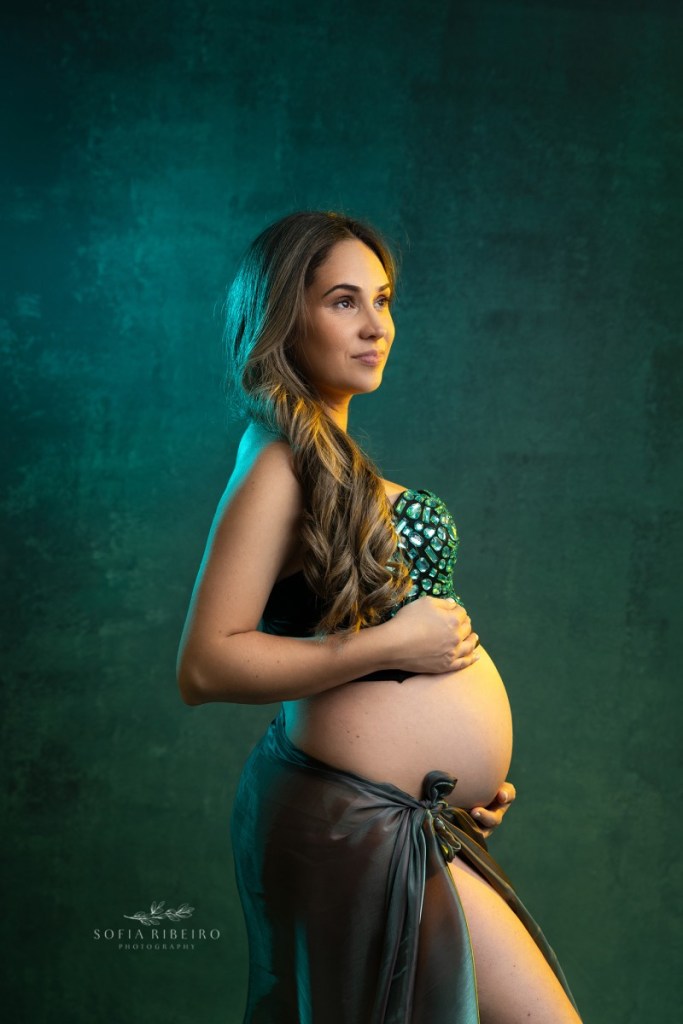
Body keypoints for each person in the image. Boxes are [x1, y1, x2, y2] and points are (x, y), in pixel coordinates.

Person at [176, 211, 582, 1023]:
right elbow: (206, 665)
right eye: (342, 302)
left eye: (384, 300)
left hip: (405, 820)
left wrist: (454, 786)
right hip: (346, 816)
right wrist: (388, 644)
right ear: (285, 318)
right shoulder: (277, 459)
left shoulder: (325, 457)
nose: (375, 326)